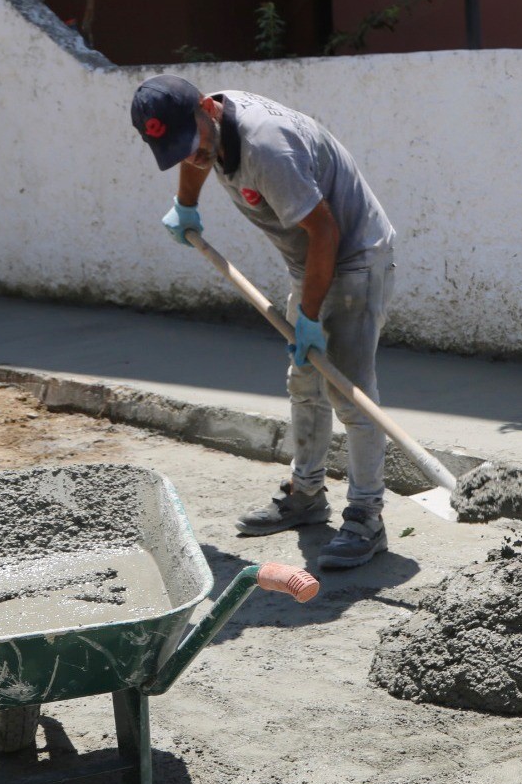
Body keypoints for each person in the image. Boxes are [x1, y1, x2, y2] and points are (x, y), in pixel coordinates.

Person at [131, 74, 397, 569]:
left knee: (351, 393)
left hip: (354, 257)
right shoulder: (207, 133)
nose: (192, 158)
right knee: (305, 381)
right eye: (177, 153)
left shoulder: (266, 147)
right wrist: (185, 206)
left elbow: (325, 231)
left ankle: (366, 517)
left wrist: (310, 317)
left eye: (192, 144)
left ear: (208, 109)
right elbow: (198, 159)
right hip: (312, 261)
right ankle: (307, 494)